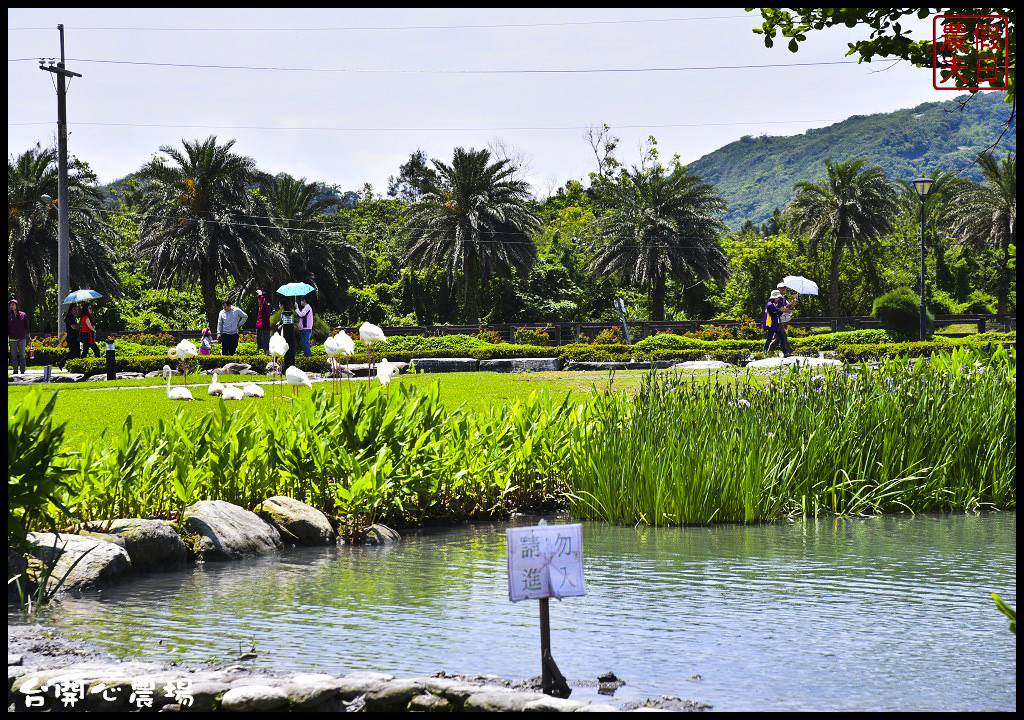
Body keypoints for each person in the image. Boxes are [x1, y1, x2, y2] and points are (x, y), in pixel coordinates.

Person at [763, 290, 791, 357]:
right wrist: (779, 311)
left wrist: (781, 311)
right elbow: (772, 314)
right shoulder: (769, 305)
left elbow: (777, 314)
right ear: (774, 298)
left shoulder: (773, 304)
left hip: (775, 325)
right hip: (771, 325)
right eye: (777, 298)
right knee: (769, 339)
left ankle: (785, 353)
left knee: (782, 337)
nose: (778, 299)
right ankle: (764, 352)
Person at [8, 298, 31, 374]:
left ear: (16, 306)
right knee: (13, 356)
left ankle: (22, 370)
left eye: (13, 305)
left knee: (22, 355)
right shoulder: (9, 316)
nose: (11, 306)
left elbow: (26, 327)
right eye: (10, 305)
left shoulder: (23, 315)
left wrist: (28, 336)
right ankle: (15, 370)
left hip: (22, 338)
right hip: (12, 338)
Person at [277, 298, 297, 371]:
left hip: (286, 334)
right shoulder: (290, 312)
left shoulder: (284, 313)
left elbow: (284, 324)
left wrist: (280, 325)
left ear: (282, 305)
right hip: (290, 334)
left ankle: (287, 367)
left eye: (279, 304)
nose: (279, 306)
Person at [59, 304, 80, 370]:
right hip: (72, 337)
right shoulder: (70, 317)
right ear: (71, 310)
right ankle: (61, 362)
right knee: (73, 352)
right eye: (75, 309)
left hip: (74, 337)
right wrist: (80, 324)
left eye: (77, 309)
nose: (76, 311)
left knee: (77, 353)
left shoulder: (72, 317)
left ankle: (75, 365)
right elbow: (74, 327)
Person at [255, 289, 272, 355]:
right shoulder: (261, 307)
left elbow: (264, 304)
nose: (259, 300)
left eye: (259, 299)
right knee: (261, 344)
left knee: (266, 343)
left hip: (264, 327)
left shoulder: (267, 306)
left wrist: (260, 295)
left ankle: (266, 355)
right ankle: (263, 355)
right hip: (260, 327)